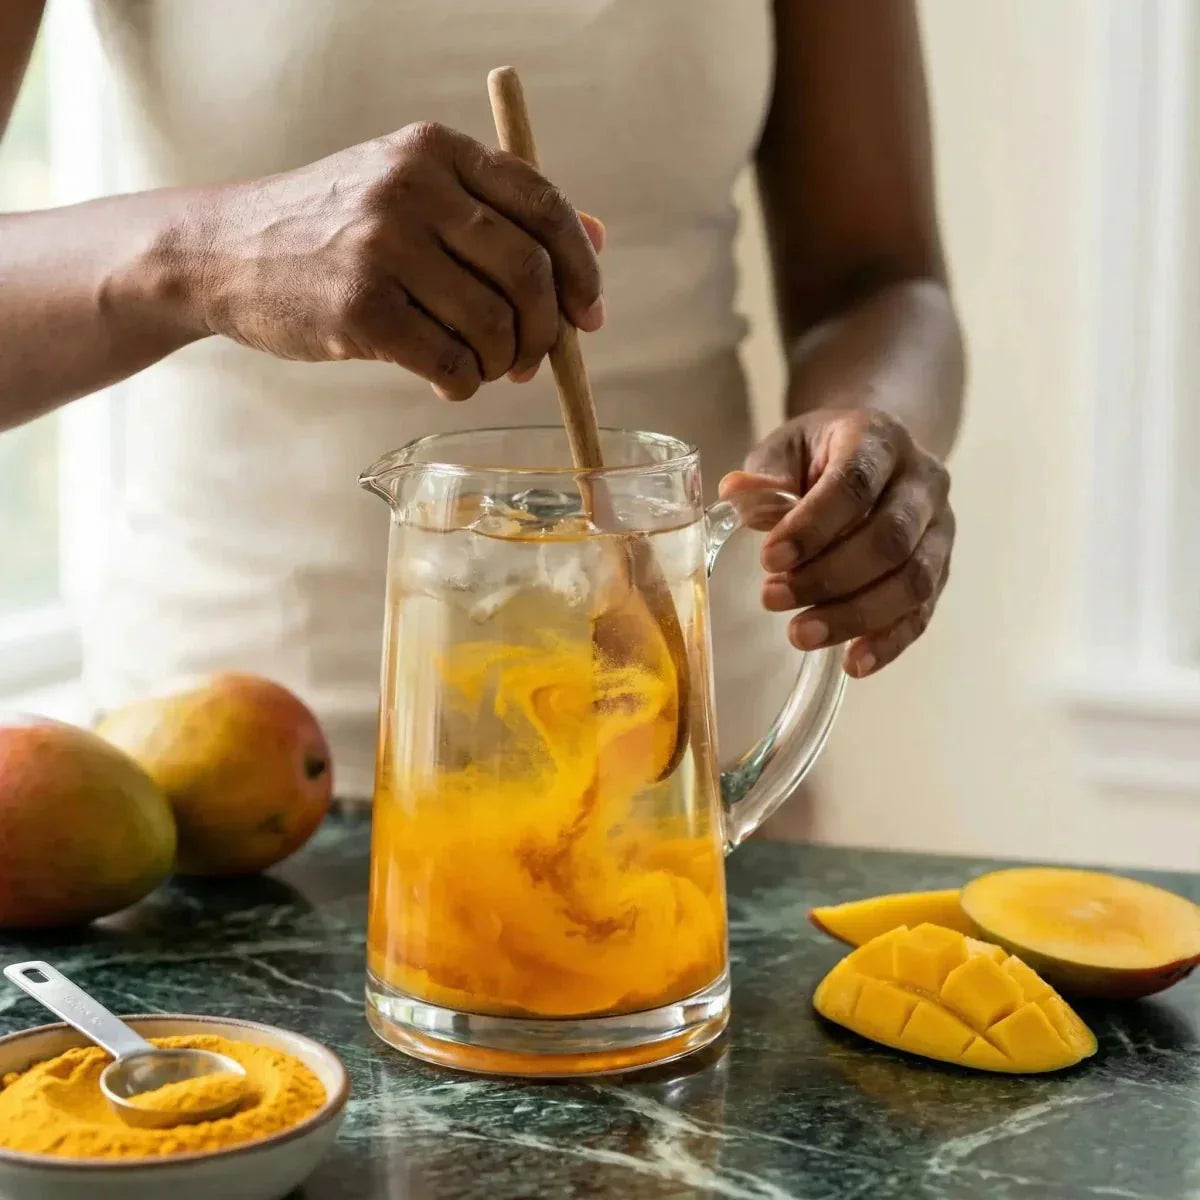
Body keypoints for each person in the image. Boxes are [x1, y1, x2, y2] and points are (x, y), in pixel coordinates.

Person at [0, 0, 962, 800]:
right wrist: (205, 253)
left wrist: (870, 441)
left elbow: (882, 281)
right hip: (227, 783)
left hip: (677, 758)